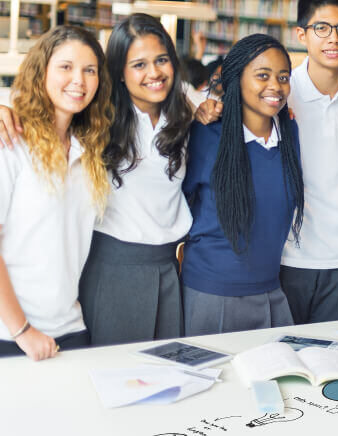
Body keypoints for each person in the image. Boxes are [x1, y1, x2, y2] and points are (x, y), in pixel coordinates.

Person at [195, 0, 338, 324]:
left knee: (332, 356)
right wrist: (208, 107)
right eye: (322, 28)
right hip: (286, 254)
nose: (333, 39)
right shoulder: (282, 89)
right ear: (301, 34)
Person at [79, 14, 193, 345]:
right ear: (119, 73)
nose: (154, 73)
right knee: (117, 379)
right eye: (139, 65)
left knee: (169, 378)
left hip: (169, 268)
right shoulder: (98, 120)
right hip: (115, 267)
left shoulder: (184, 112)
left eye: (161, 60)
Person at [0, 26, 112, 359]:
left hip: (71, 328)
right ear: (41, 71)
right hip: (13, 334)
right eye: (66, 67)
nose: (79, 79)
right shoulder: (11, 143)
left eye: (89, 70)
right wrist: (22, 331)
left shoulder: (88, 150)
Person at [181, 33, 303, 335]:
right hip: (211, 293)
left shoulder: (289, 134)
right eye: (262, 75)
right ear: (236, 78)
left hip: (271, 290)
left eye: (283, 76)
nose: (275, 86)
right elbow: (178, 206)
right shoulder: (205, 134)